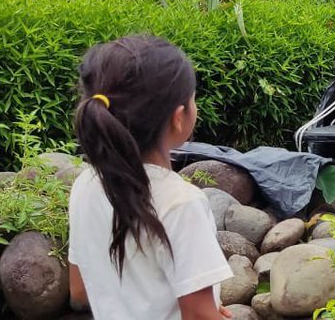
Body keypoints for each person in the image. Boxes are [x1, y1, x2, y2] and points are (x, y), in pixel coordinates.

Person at [67, 36, 234, 319]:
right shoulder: (181, 203)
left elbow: (80, 290)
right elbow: (198, 316)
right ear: (179, 117)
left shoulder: (85, 185)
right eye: (193, 99)